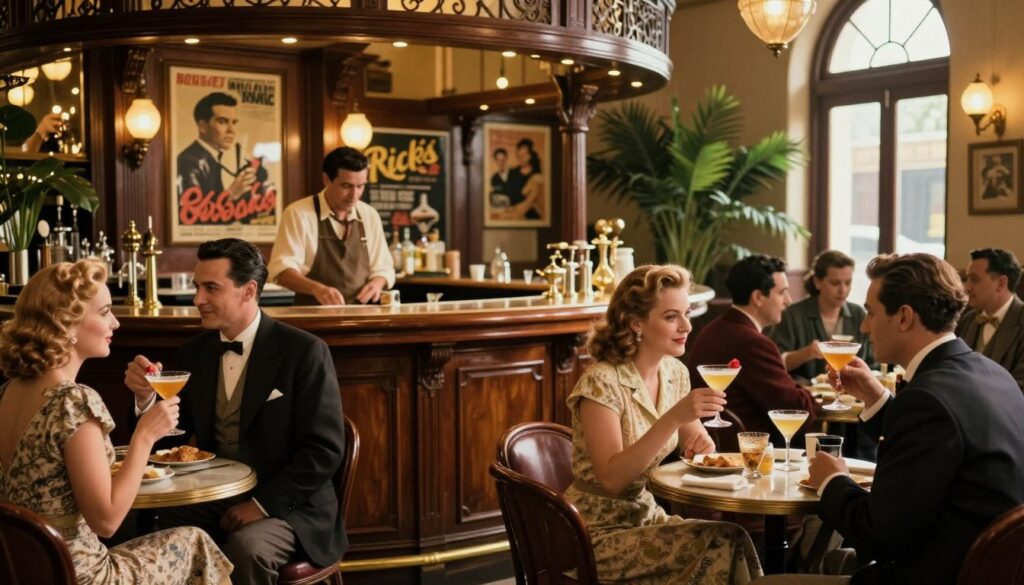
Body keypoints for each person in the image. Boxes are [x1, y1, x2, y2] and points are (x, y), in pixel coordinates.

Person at [759, 254, 1024, 585]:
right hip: (986, 569)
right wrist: (875, 397)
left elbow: (876, 535)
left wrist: (832, 481)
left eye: (870, 312)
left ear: (904, 317)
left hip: (931, 575)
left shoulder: (927, 400)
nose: (864, 326)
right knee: (833, 560)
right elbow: (935, 447)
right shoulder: (993, 374)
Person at [124, 239, 346, 585]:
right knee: (139, 528)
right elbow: (171, 442)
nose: (198, 299)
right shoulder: (193, 352)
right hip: (216, 496)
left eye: (211, 288)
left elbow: (324, 451)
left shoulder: (304, 352)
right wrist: (145, 399)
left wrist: (261, 505)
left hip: (292, 507)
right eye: (197, 287)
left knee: (246, 548)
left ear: (249, 290)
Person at [0, 260, 232, 585]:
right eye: (105, 312)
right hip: (78, 573)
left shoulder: (8, 391)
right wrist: (144, 437)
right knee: (195, 542)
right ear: (66, 323)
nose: (116, 322)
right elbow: (107, 521)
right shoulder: (73, 402)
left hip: (23, 570)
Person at [565, 264, 763, 584]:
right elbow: (613, 479)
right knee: (720, 544)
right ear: (636, 323)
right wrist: (673, 418)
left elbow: (694, 440)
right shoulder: (601, 382)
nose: (686, 326)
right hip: (594, 532)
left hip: (646, 516)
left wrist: (701, 444)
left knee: (734, 537)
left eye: (686, 313)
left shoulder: (674, 372)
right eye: (671, 317)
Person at [687, 255, 817, 440]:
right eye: (782, 292)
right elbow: (798, 411)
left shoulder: (714, 328)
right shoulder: (753, 343)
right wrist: (808, 394)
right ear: (758, 297)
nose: (788, 300)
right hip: (744, 450)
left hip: (712, 442)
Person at [268, 146, 395, 305]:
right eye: (346, 186)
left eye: (360, 186)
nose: (354, 195)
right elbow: (281, 271)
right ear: (326, 179)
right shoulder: (298, 214)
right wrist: (316, 289)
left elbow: (384, 268)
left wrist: (377, 283)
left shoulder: (369, 215)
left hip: (362, 314)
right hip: (312, 315)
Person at [769, 250, 875, 383]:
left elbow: (872, 364)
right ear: (817, 282)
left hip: (850, 392)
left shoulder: (859, 315)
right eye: (835, 283)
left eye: (848, 283)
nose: (843, 290)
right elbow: (774, 363)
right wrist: (807, 353)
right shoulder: (792, 314)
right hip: (805, 391)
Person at [177, 92, 268, 204]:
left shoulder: (213, 157)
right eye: (222, 122)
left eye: (233, 122)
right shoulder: (190, 162)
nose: (231, 130)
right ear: (203, 127)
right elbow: (191, 211)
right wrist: (231, 194)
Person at [955, 247, 1024, 390]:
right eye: (967, 279)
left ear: (1001, 283)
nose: (967, 287)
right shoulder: (966, 321)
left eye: (974, 279)